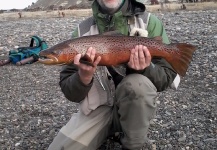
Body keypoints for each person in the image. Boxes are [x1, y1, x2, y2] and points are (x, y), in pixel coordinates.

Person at [48, 0, 179, 150]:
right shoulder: (81, 32)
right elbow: (69, 92)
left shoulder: (149, 22)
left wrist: (145, 69)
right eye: (55, 54)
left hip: (133, 109)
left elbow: (167, 78)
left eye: (55, 53)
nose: (54, 55)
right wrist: (83, 77)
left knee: (138, 85)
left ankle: (132, 144)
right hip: (96, 112)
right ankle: (108, 131)